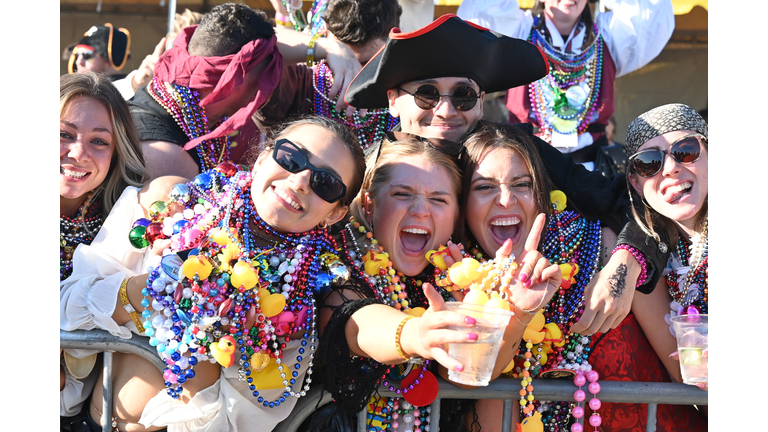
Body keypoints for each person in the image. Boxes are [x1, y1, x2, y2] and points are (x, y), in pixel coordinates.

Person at [343, 14, 669, 337]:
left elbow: (631, 196)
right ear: (393, 101)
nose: (445, 110)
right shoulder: (368, 169)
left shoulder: (513, 153)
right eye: (426, 94)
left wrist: (625, 263)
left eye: (463, 96)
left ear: (481, 103)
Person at [60, 116, 367, 431]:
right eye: (291, 157)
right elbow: (64, 306)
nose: (300, 181)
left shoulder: (302, 297)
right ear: (263, 159)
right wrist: (147, 292)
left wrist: (214, 343)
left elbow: (244, 421)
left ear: (336, 213)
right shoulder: (169, 208)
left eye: (325, 183)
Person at [458, 124, 707, 431]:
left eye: (522, 184)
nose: (506, 200)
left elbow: (689, 371)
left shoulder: (605, 247)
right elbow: (471, 385)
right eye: (484, 187)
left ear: (542, 194)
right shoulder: (455, 277)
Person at [316, 133, 561, 432]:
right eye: (402, 194)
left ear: (456, 214)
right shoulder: (335, 261)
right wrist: (417, 334)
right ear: (369, 205)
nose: (421, 210)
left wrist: (518, 314)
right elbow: (356, 323)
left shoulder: (452, 280)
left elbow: (464, 377)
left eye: (439, 199)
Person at [129, 2, 363, 181]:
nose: (268, 90)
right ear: (233, 79)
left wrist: (329, 47)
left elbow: (260, 47)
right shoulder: (167, 158)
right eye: (267, 77)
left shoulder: (179, 74)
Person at [456, 0, 674, 171]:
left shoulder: (607, 37)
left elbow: (648, 13)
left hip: (593, 173)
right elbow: (482, 14)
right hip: (528, 166)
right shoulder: (519, 33)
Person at [60, 71, 151, 427]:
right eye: (63, 135)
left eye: (99, 141)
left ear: (117, 153)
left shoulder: (126, 216)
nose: (78, 153)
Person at [624, 103, 709, 397]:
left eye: (685, 150)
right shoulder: (657, 261)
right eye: (649, 163)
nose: (672, 168)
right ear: (636, 184)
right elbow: (687, 381)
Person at [255, 0, 402, 149]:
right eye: (344, 60)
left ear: (394, 39)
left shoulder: (411, 96)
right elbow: (249, 46)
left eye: (367, 63)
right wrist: (328, 47)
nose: (355, 74)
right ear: (325, 32)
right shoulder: (299, 87)